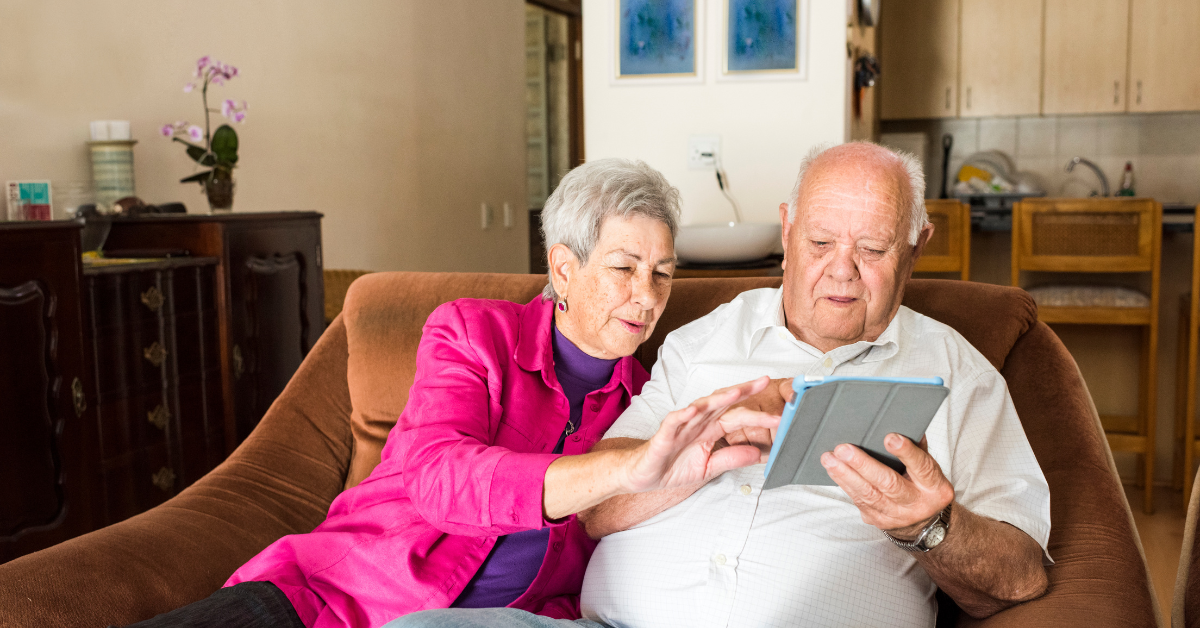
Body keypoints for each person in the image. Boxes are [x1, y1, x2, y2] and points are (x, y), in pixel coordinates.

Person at [388, 142, 1051, 628]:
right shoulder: (703, 340)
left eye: (873, 251)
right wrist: (694, 458)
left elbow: (1021, 572)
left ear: (916, 246)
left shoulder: (958, 372)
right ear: (788, 231)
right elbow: (598, 506)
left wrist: (932, 528)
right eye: (820, 242)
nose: (841, 272)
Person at [122, 158, 779, 628]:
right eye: (624, 269)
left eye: (662, 274)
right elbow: (440, 478)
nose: (648, 297)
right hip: (334, 599)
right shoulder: (471, 333)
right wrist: (621, 467)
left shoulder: (647, 400)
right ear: (563, 267)